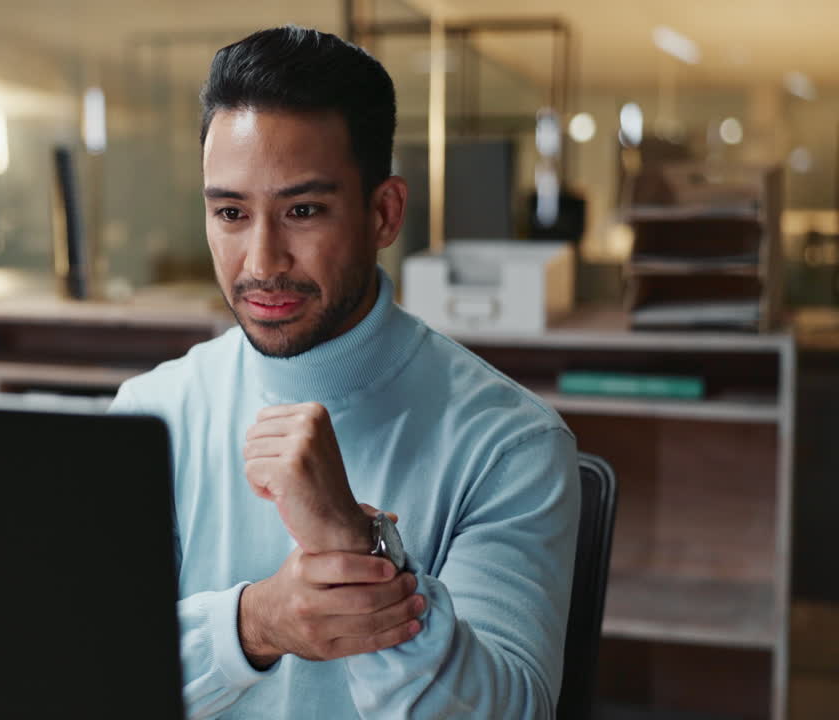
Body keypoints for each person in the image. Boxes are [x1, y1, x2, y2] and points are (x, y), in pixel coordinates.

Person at [110, 26, 579, 719]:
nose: (263, 261)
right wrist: (254, 624)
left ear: (384, 212)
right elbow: (84, 668)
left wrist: (351, 544)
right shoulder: (153, 412)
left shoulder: (512, 445)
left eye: (303, 211)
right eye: (232, 213)